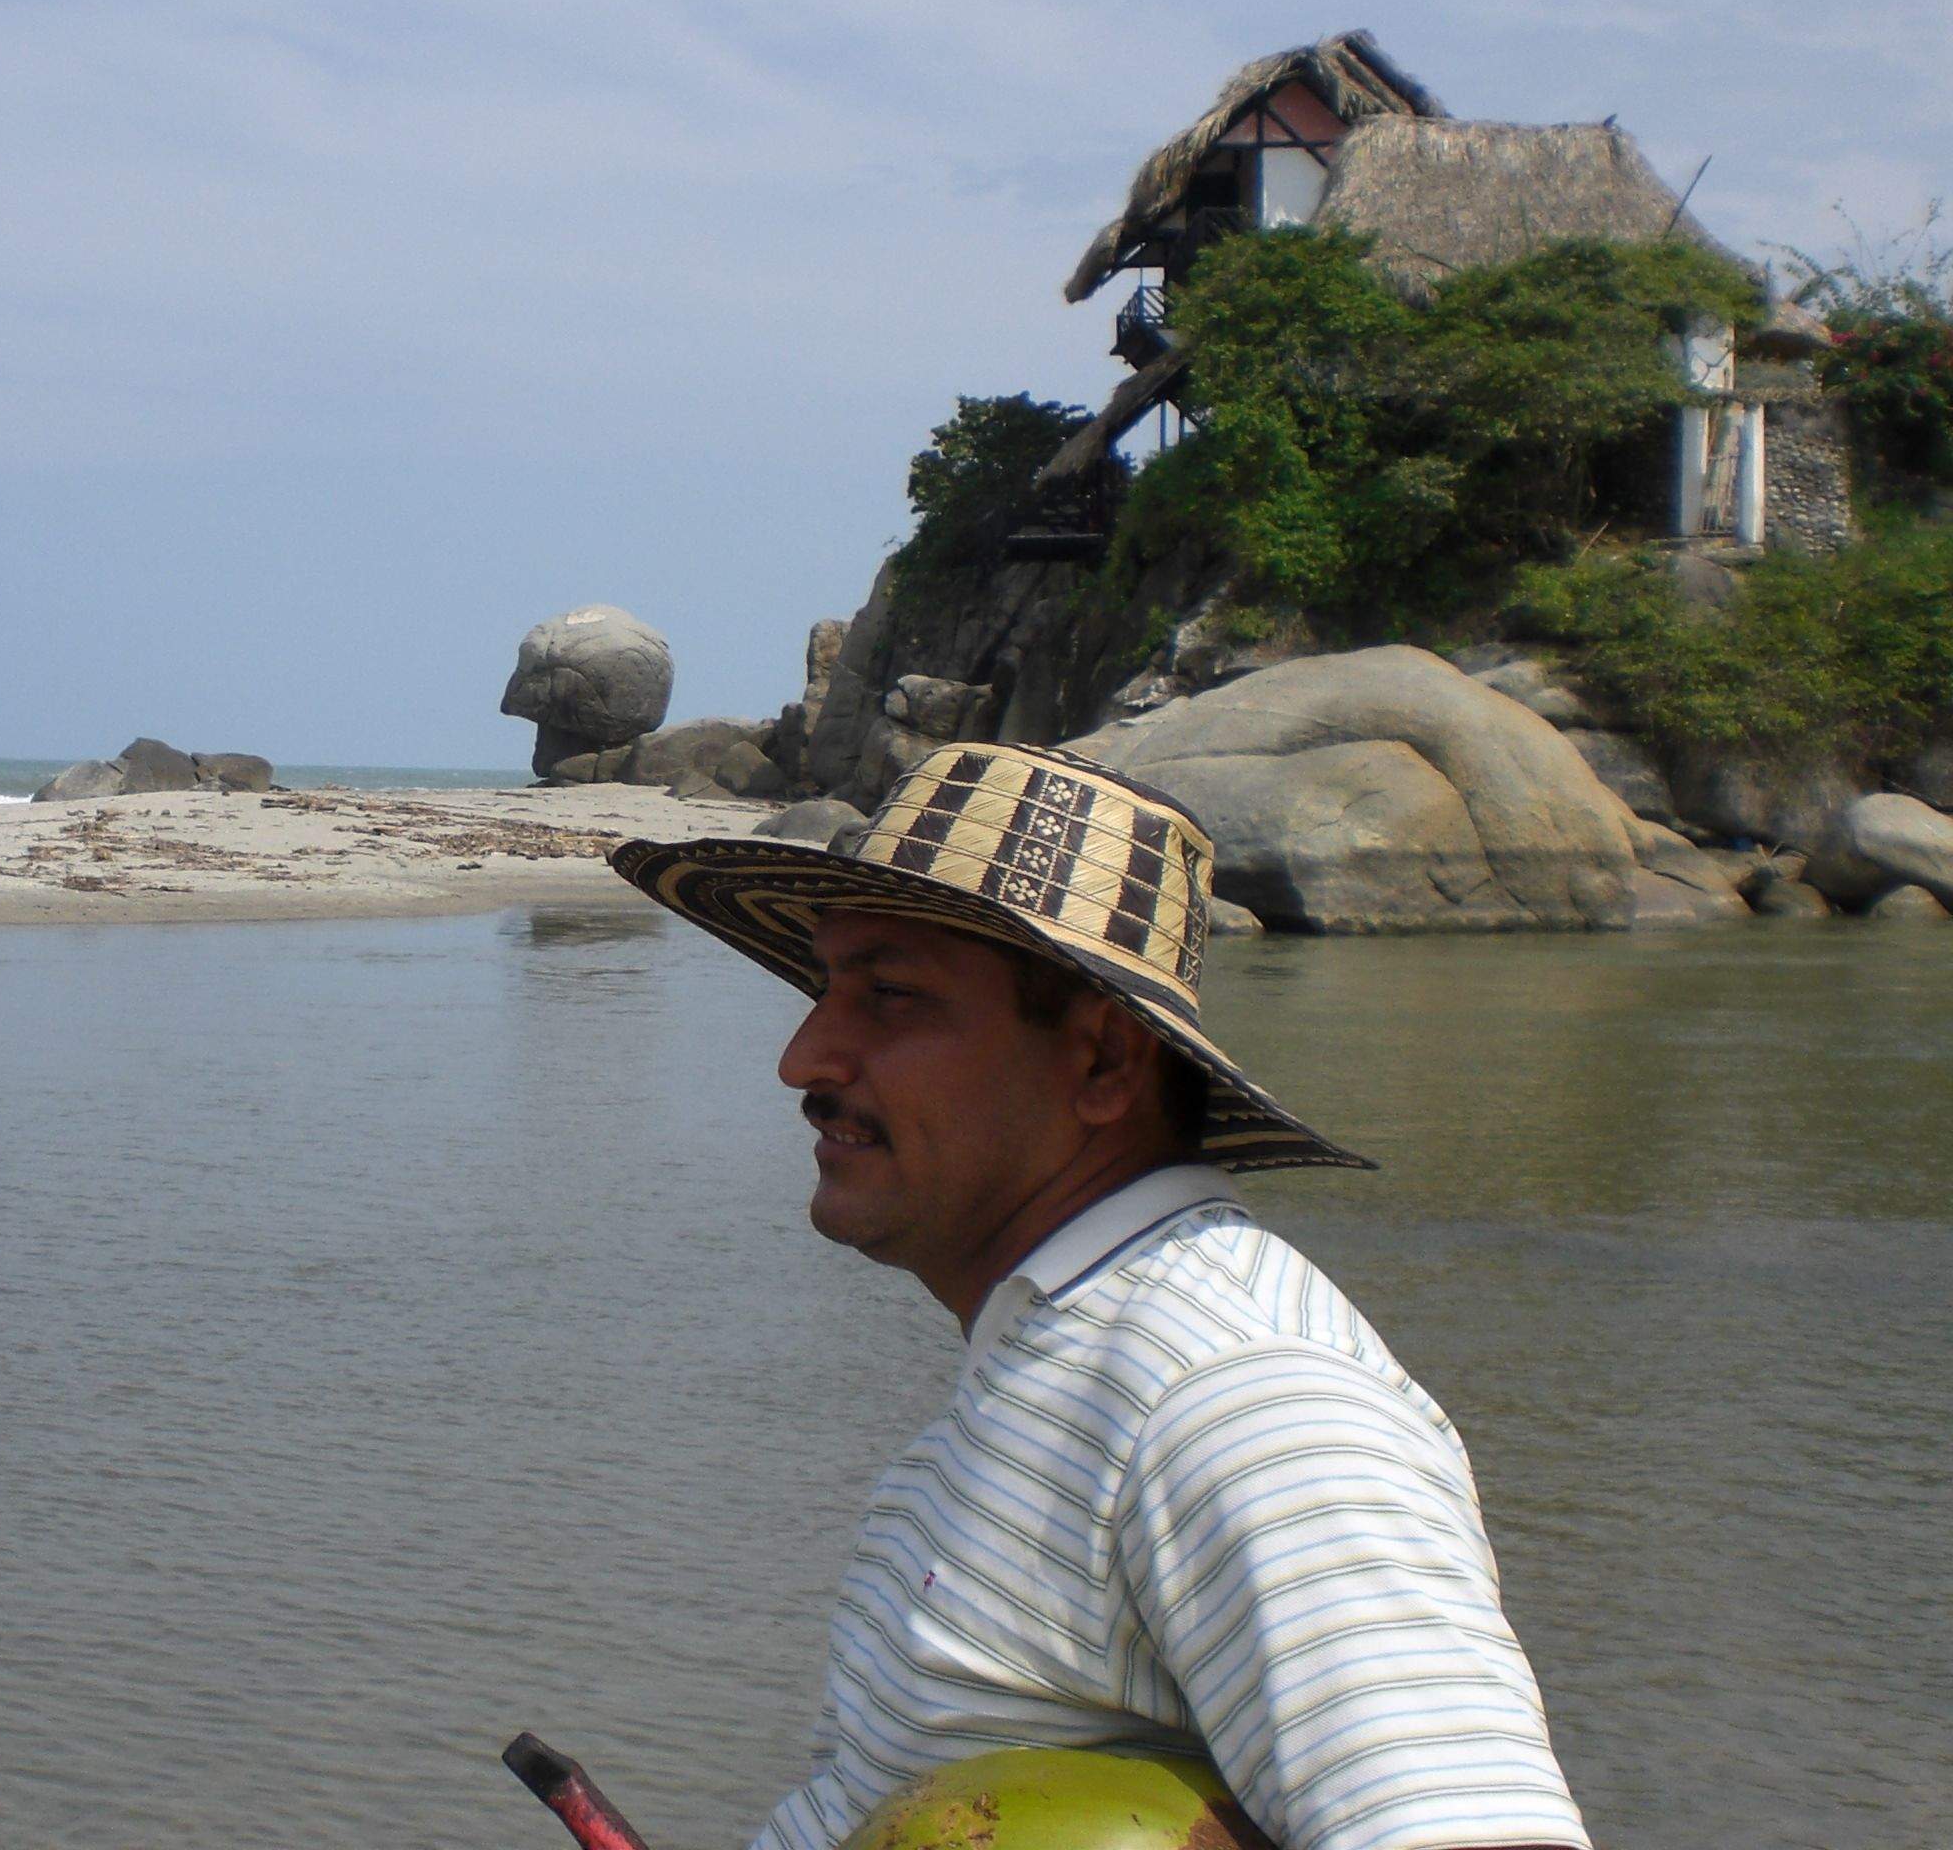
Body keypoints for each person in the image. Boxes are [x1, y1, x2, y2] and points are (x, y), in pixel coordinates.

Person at [609, 742, 1589, 1850]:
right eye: (826, 989)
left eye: (889, 994)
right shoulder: (1063, 1357)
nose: (804, 1056)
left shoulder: (1243, 1397)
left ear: (1104, 1066)